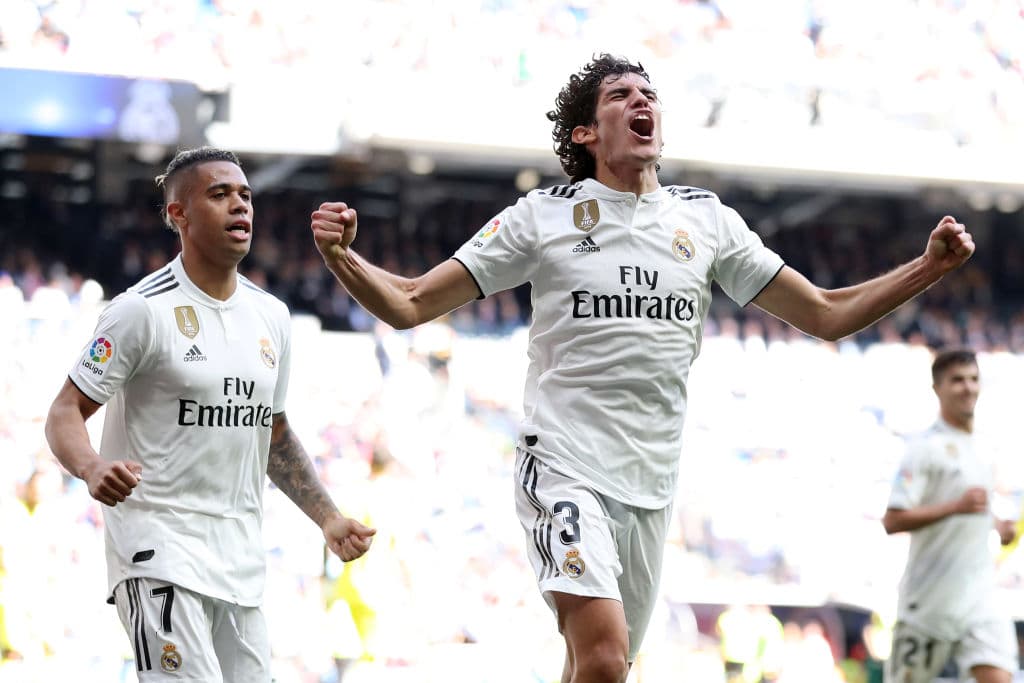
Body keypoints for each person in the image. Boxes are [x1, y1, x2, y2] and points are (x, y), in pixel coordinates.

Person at [310, 54, 975, 683]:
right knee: (602, 656)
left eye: (648, 92)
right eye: (620, 94)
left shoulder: (706, 221)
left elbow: (825, 312)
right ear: (585, 132)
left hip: (651, 483)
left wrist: (929, 267)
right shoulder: (542, 217)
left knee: (599, 666)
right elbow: (412, 301)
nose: (641, 100)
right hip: (563, 464)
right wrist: (343, 257)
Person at [45, 146, 376, 682]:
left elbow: (274, 432)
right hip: (157, 550)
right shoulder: (139, 311)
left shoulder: (273, 317)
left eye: (245, 195)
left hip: (240, 559)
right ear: (179, 214)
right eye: (219, 194)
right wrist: (90, 466)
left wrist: (328, 516)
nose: (239, 206)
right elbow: (64, 411)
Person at [882, 348, 1018, 683]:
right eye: (957, 380)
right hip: (929, 601)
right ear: (937, 388)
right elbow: (893, 520)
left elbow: (973, 508)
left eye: (973, 379)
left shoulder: (984, 448)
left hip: (979, 596)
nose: (968, 387)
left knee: (998, 677)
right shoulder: (923, 448)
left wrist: (997, 525)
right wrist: (953, 508)